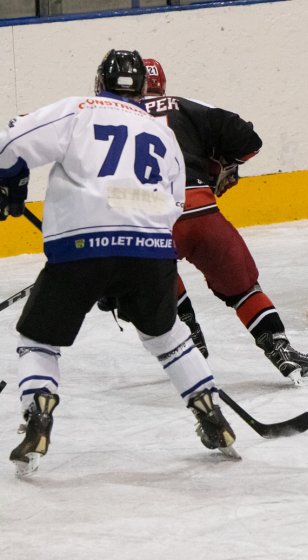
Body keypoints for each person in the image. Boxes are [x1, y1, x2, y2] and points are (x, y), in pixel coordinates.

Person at [0, 49, 238, 475]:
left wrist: (11, 187)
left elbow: (9, 143)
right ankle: (210, 411)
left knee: (38, 339)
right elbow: (175, 202)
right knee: (168, 338)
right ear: (144, 90)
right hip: (150, 249)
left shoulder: (78, 110)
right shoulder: (161, 133)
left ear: (100, 82)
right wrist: (125, 269)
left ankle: (38, 414)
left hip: (80, 249)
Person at [138, 57, 308, 386]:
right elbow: (248, 138)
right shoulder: (187, 106)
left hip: (151, 218)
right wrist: (225, 165)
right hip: (202, 212)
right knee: (243, 288)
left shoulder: (109, 119)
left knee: (151, 271)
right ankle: (280, 348)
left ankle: (187, 335)